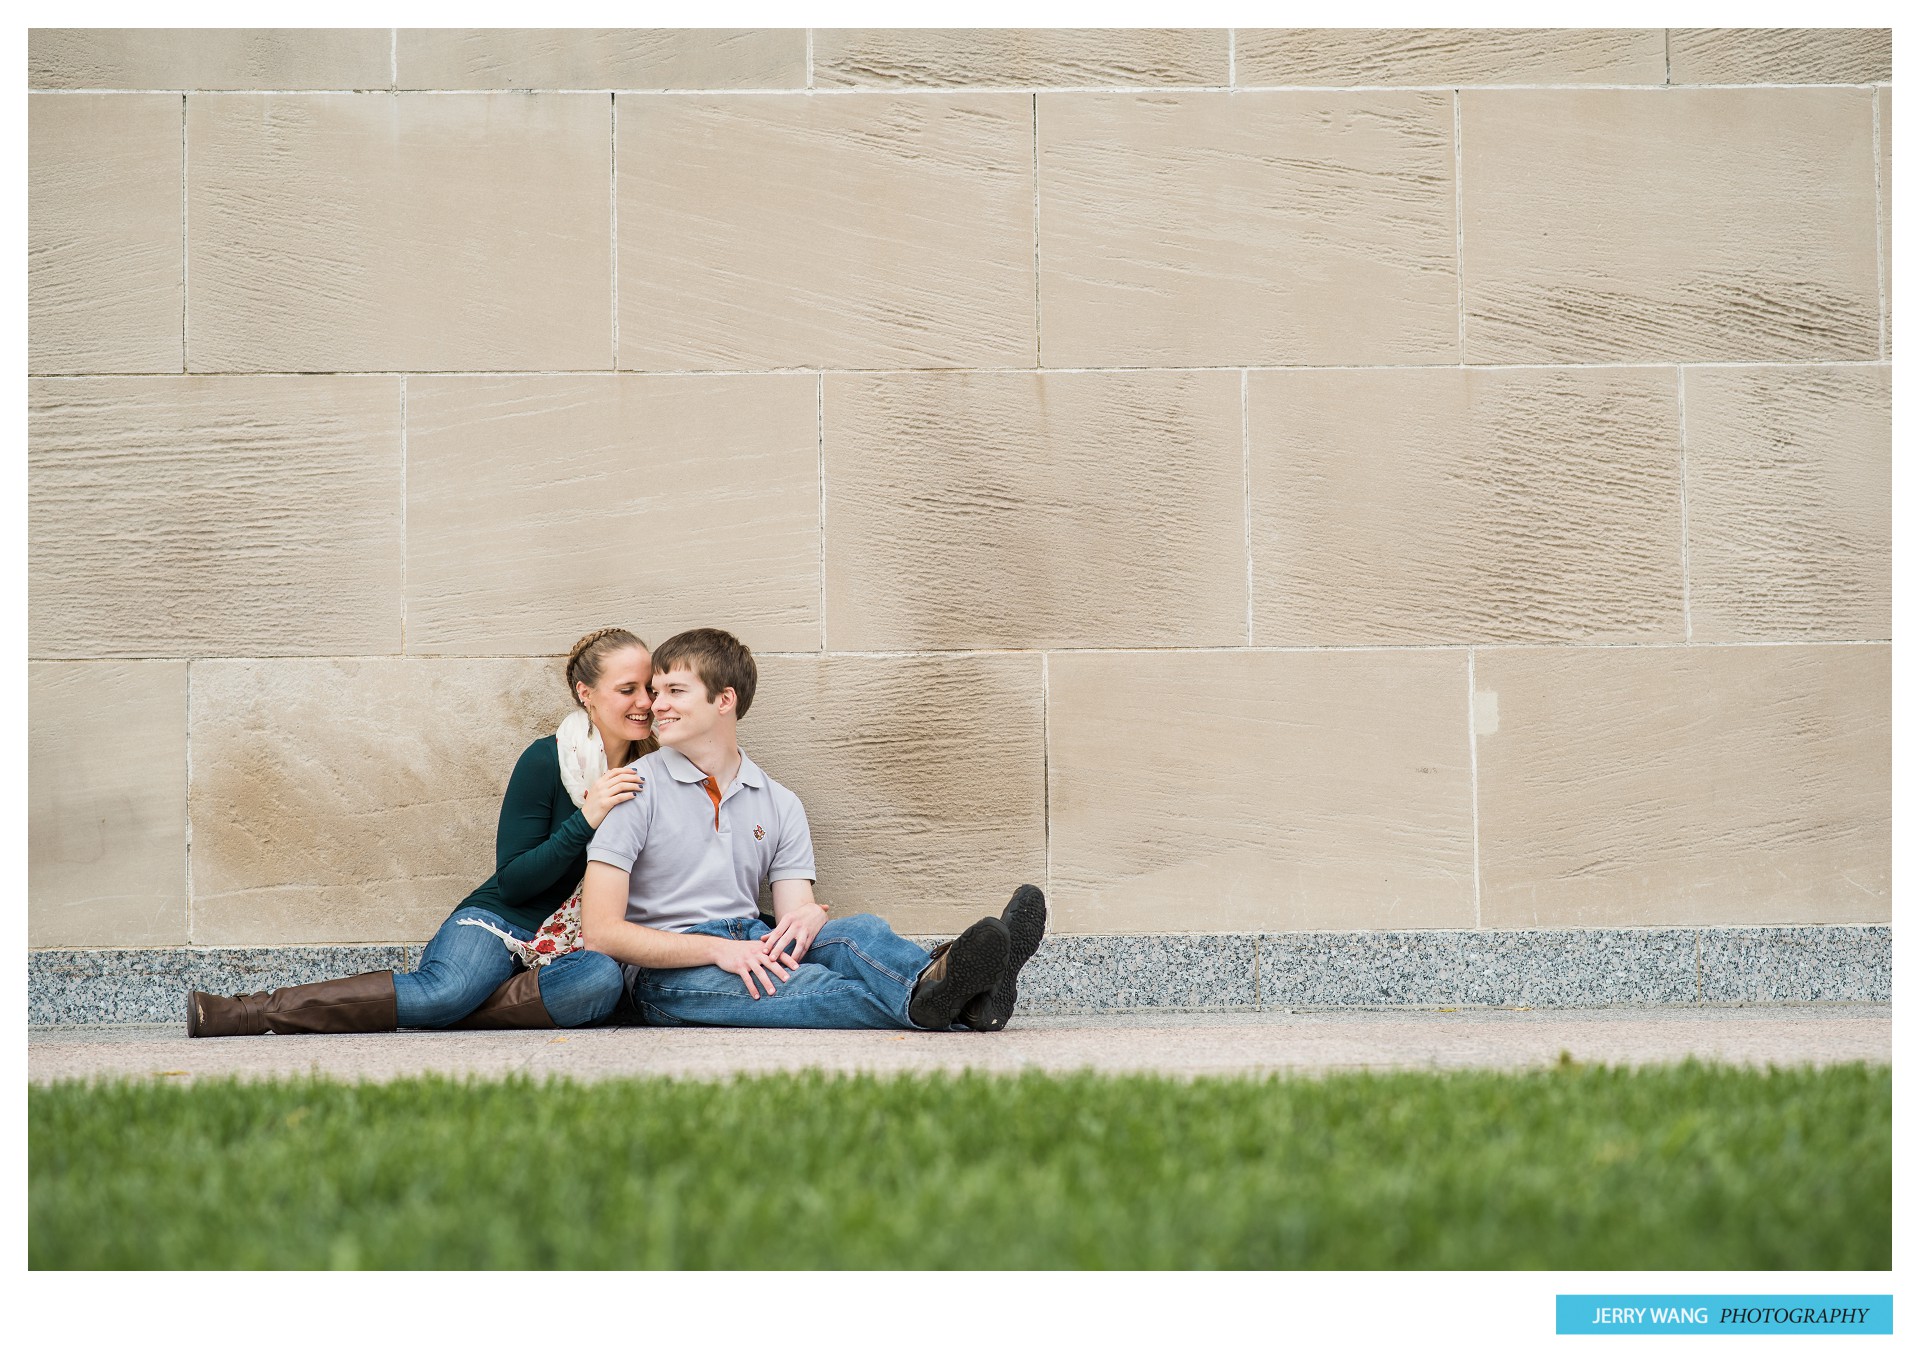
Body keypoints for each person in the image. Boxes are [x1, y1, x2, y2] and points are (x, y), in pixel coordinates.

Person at [186, 628, 650, 1036]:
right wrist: (586, 818)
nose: (645, 703)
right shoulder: (546, 759)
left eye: (649, 688)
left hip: (578, 944)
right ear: (585, 692)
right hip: (502, 922)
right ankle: (251, 1012)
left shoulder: (652, 773)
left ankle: (456, 1011)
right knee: (445, 991)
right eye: (627, 689)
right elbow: (514, 880)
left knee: (599, 981)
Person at [582, 627, 1047, 1032]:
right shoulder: (633, 789)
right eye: (654, 691)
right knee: (809, 986)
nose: (654, 705)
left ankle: (946, 992)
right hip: (667, 976)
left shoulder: (780, 802)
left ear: (724, 700)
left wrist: (806, 917)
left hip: (754, 941)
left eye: (674, 692)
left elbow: (793, 917)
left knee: (857, 932)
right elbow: (601, 933)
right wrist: (716, 950)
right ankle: (958, 994)